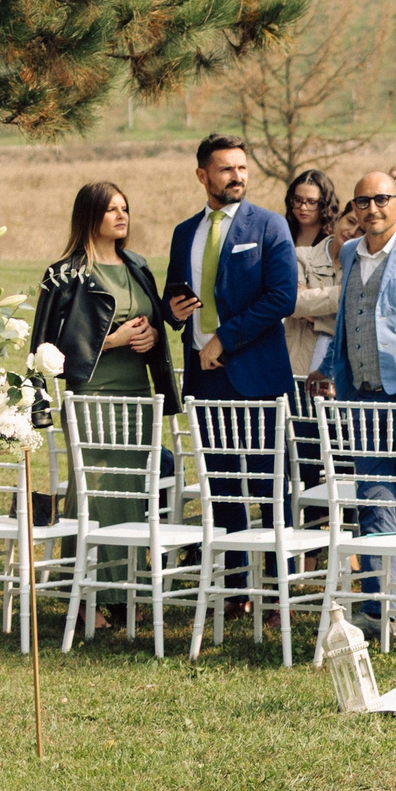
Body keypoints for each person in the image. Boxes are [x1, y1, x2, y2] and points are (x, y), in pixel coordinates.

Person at [32, 182, 178, 612]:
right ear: (89, 216)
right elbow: (44, 349)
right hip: (92, 394)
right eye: (111, 209)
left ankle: (128, 588)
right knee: (95, 490)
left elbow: (154, 321)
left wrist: (153, 336)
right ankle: (90, 594)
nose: (121, 216)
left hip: (138, 393)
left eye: (124, 208)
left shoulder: (139, 265)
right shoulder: (64, 274)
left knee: (132, 489)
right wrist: (110, 341)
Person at [164, 136, 298, 597]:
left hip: (256, 376)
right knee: (220, 485)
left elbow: (282, 297)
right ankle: (237, 588)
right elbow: (172, 296)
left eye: (242, 168)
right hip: (204, 378)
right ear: (202, 175)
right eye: (226, 169)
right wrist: (173, 312)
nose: (237, 176)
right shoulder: (185, 232)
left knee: (269, 486)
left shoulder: (270, 225)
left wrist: (224, 338)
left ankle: (279, 589)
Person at [310, 171, 396, 616]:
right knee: (371, 495)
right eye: (363, 201)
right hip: (361, 392)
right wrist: (328, 366)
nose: (372, 208)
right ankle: (378, 601)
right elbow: (349, 315)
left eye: (381, 199)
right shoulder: (348, 251)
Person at [282, 169, 342, 379]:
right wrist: (307, 302)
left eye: (311, 202)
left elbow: (343, 313)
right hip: (286, 340)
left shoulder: (335, 243)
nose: (303, 207)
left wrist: (309, 306)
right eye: (297, 200)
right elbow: (287, 299)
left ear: (324, 204)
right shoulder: (282, 234)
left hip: (323, 349)